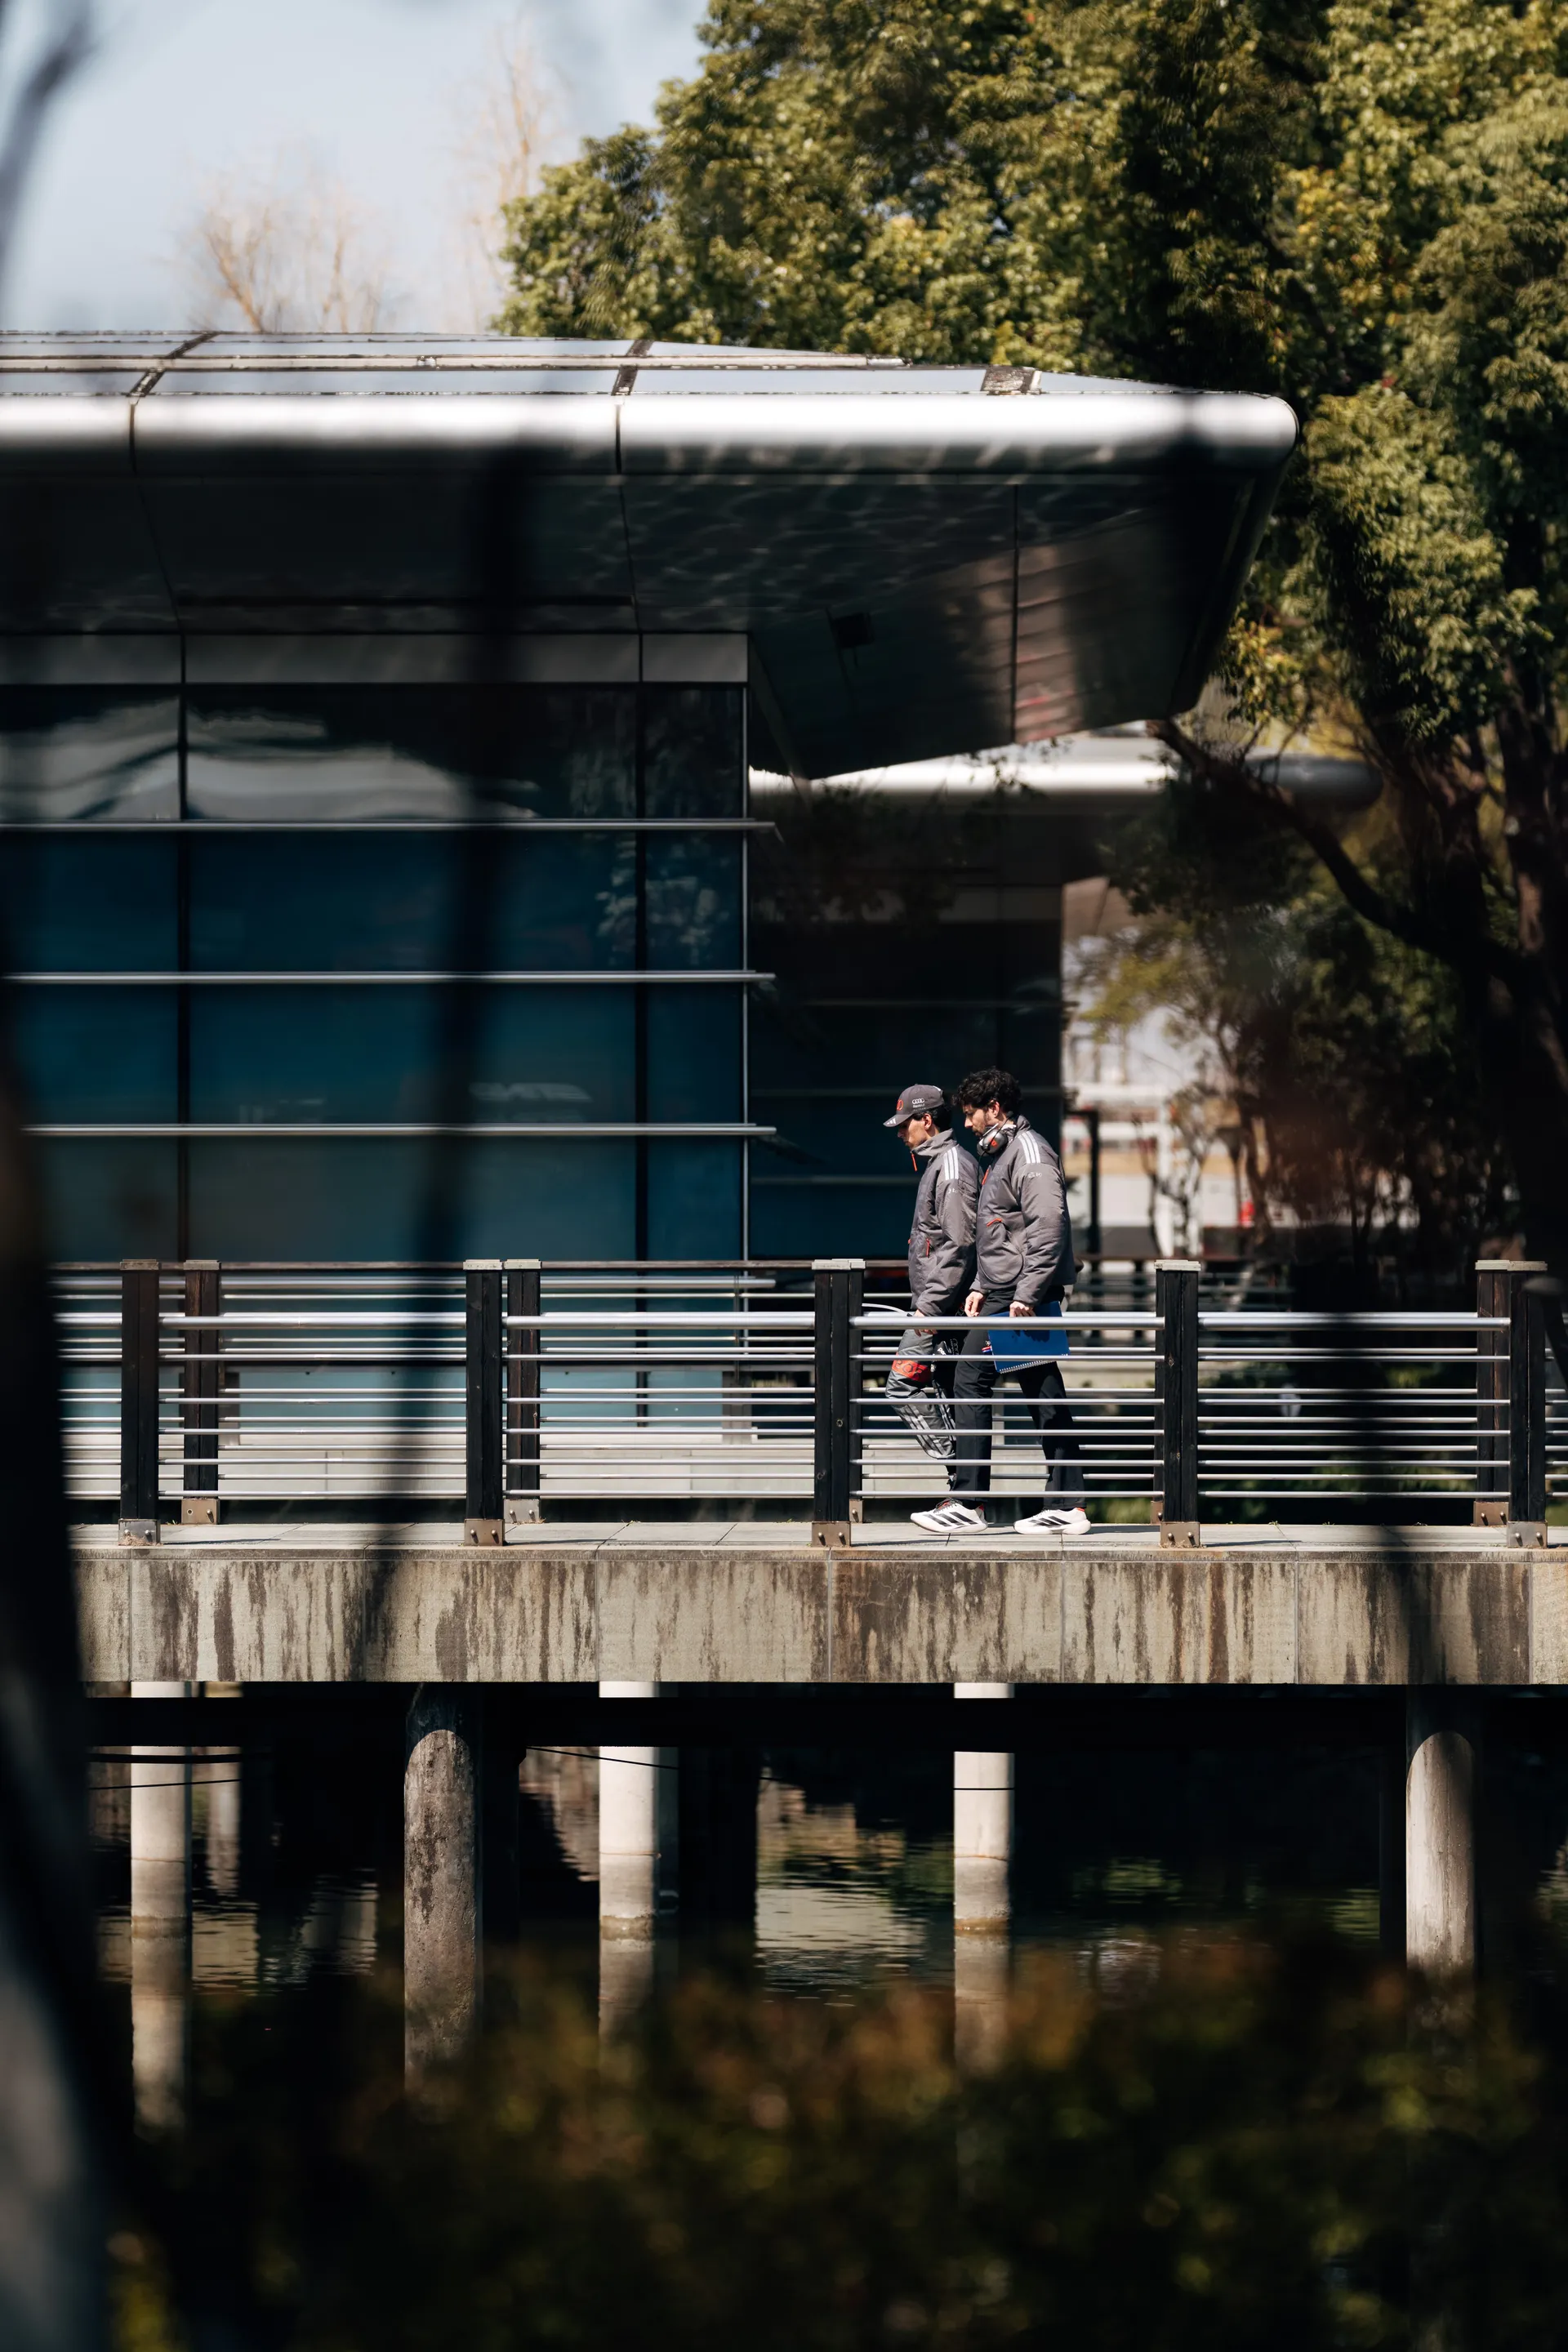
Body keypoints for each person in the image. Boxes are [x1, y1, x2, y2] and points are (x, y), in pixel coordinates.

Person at [911, 1067, 1089, 1536]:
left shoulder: (1028, 1153)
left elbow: (1048, 1226)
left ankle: (971, 1501)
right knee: (1041, 1387)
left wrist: (1024, 1294)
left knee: (972, 1377)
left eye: (971, 1114)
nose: (966, 1124)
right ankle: (1068, 1504)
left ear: (996, 1109)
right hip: (1007, 1293)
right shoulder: (1005, 1153)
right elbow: (1001, 1234)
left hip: (1022, 1295)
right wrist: (980, 1287)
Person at [880, 1084, 977, 1476]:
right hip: (941, 1308)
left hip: (940, 1310)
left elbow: (959, 1246)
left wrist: (927, 1308)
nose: (901, 1133)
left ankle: (963, 1474)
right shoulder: (940, 1164)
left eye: (906, 1125)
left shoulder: (952, 1168)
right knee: (947, 1393)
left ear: (927, 1120)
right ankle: (964, 1485)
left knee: (901, 1387)